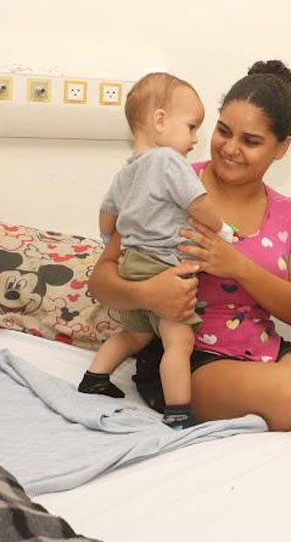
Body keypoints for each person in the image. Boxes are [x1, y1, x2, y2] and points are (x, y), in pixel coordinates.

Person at [88, 60, 291, 431]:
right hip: (188, 360)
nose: (230, 148)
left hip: (263, 350)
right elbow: (100, 280)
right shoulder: (169, 180)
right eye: (223, 131)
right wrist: (149, 294)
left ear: (281, 148)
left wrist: (236, 265)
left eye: (250, 141)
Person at [80, 72, 235, 429]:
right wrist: (221, 228)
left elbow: (107, 217)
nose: (196, 139)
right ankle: (179, 409)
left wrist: (109, 243)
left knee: (135, 335)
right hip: (163, 266)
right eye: (192, 126)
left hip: (132, 263)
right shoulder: (169, 161)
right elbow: (197, 203)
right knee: (178, 342)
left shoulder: (127, 171)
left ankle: (95, 378)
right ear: (161, 120)